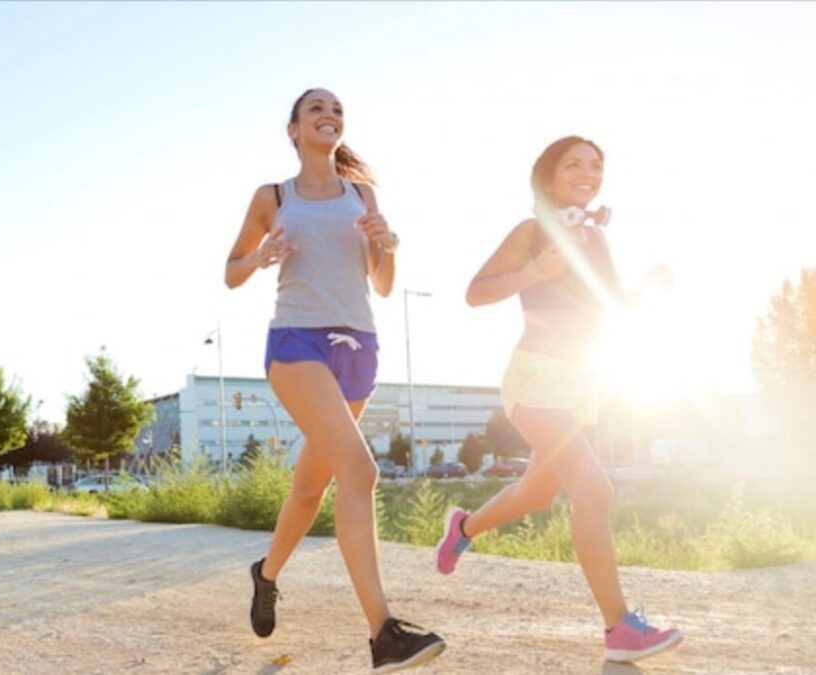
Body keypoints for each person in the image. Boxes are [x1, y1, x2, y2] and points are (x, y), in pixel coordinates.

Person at [225, 88, 446, 673]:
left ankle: (266, 574)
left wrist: (387, 245)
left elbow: (382, 283)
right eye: (316, 109)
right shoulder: (273, 196)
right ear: (293, 129)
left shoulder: (362, 194)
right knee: (361, 470)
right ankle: (384, 633)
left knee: (309, 488)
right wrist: (261, 257)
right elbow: (230, 271)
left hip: (359, 347)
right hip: (298, 341)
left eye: (337, 111)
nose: (329, 116)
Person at [438, 135, 681, 663]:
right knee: (594, 491)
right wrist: (536, 272)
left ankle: (464, 526)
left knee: (539, 493)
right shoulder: (533, 231)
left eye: (596, 165)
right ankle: (621, 629)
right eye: (574, 163)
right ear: (548, 177)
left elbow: (614, 307)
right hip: (535, 379)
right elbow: (476, 292)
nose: (588, 171)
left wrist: (649, 287)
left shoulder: (595, 238)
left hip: (579, 385)